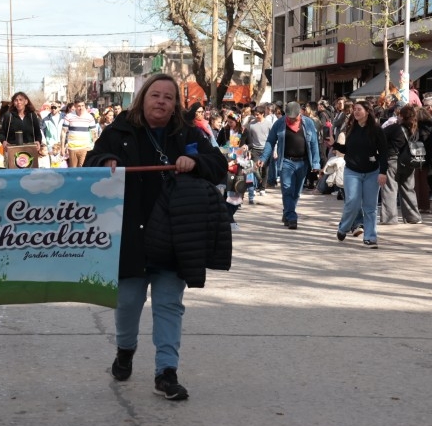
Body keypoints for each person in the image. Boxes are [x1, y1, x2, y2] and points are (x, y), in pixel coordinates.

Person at [85, 73, 227, 401]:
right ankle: (125, 350)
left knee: (168, 304)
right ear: (143, 99)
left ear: (175, 103)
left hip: (173, 234)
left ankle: (166, 372)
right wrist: (108, 161)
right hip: (130, 234)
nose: (161, 101)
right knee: (129, 302)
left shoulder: (187, 133)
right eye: (155, 95)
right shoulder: (118, 131)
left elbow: (217, 164)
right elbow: (92, 162)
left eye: (168, 97)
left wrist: (195, 161)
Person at [257, 101, 321, 229]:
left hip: (303, 163)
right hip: (286, 161)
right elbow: (270, 141)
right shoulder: (279, 124)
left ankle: (287, 212)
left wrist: (316, 163)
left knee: (296, 193)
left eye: (294, 117)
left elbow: (314, 143)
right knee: (287, 189)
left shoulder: (308, 123)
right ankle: (292, 217)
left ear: (299, 114)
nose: (291, 119)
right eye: (289, 117)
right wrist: (263, 157)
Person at [334, 101, 388, 248]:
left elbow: (384, 153)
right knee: (352, 202)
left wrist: (383, 172)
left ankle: (370, 237)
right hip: (352, 172)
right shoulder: (351, 128)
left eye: (359, 109)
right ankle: (344, 227)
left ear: (367, 112)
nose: (356, 112)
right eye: (354, 110)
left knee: (370, 207)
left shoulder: (377, 130)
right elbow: (347, 150)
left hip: (372, 172)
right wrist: (334, 145)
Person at [380, 104, 422, 225]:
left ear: (402, 116)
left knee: (390, 189)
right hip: (409, 161)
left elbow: (380, 136)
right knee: (408, 188)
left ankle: (389, 218)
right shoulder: (414, 129)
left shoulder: (395, 128)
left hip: (393, 160)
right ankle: (413, 217)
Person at [62, 99, 98, 167]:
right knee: (73, 170)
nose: (81, 108)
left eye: (82, 105)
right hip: (72, 147)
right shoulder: (69, 116)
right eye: (78, 106)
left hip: (85, 147)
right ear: (75, 106)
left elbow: (94, 133)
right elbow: (63, 132)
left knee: (83, 169)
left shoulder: (89, 117)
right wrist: (62, 147)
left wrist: (95, 147)